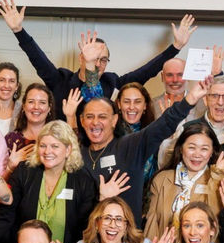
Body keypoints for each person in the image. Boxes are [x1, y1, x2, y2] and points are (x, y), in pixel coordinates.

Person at [0, 0, 191, 101]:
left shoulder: (113, 82)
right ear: (82, 57)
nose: (98, 64)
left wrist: (176, 47)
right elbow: (37, 58)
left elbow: (147, 71)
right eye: (93, 58)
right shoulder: (60, 80)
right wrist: (18, 30)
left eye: (103, 59)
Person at [73, 78, 205, 229]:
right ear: (82, 121)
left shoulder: (130, 146)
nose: (95, 122)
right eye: (89, 117)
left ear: (114, 120)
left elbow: (164, 124)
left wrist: (190, 99)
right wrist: (101, 198)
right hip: (87, 242)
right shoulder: (77, 156)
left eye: (102, 116)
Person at [6, 120, 105, 243]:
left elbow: (85, 229)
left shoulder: (83, 181)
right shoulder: (24, 171)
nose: (47, 151)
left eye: (55, 146)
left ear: (68, 149)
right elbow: (5, 216)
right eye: (43, 146)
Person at [144, 120, 224, 240]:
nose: (197, 154)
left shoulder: (218, 179)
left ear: (212, 152)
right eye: (191, 147)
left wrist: (217, 176)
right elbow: (152, 224)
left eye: (204, 149)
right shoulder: (162, 179)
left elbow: (215, 222)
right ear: (180, 149)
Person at [0, 62, 21, 134]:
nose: (6, 85)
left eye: (11, 81)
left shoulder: (23, 110)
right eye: (2, 80)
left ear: (17, 86)